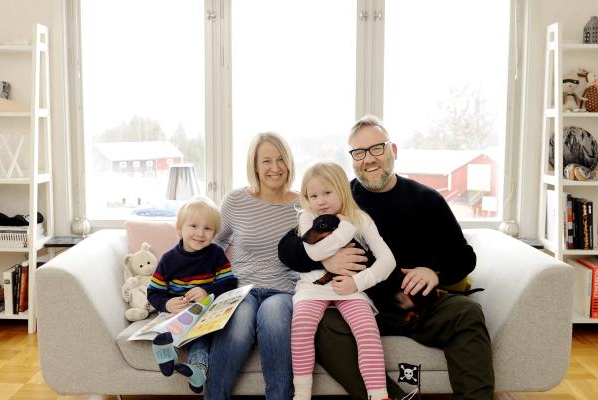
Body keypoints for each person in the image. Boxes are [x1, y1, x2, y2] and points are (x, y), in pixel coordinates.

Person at [279, 115, 494, 400]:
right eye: (359, 152)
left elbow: (464, 258)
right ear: (352, 159)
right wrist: (324, 261)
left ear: (393, 150)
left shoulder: (426, 199)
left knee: (467, 313)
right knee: (321, 327)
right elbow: (288, 248)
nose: (368, 159)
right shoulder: (339, 198)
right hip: (361, 303)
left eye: (376, 148)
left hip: (417, 304)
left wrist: (435, 272)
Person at [206, 132, 301, 400]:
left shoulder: (303, 204)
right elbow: (217, 241)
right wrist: (204, 280)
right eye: (266, 161)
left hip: (283, 290)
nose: (275, 168)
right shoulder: (235, 200)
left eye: (281, 159)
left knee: (273, 318)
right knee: (239, 321)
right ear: (255, 166)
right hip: (241, 288)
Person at [292, 161, 396, 400]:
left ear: (342, 189)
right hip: (313, 288)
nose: (321, 201)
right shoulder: (307, 218)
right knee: (301, 325)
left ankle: (379, 395)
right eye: (313, 196)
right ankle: (301, 394)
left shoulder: (360, 218)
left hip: (350, 288)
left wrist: (357, 283)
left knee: (367, 328)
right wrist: (346, 230)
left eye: (327, 192)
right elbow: (315, 252)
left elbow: (387, 260)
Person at [147, 196, 238, 394]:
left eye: (208, 228)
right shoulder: (169, 260)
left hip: (204, 315)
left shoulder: (216, 255)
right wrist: (167, 304)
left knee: (200, 337)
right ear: (179, 229)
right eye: (194, 226)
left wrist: (207, 291)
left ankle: (197, 369)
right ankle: (170, 353)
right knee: (174, 329)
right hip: (177, 314)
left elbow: (230, 283)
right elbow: (153, 292)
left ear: (215, 233)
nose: (200, 233)